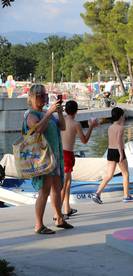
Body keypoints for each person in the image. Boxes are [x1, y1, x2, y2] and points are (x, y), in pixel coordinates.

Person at [24, 84, 73, 234]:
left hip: (55, 156)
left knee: (57, 188)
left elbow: (63, 127)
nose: (44, 98)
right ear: (32, 97)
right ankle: (38, 225)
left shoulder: (48, 113)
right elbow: (37, 129)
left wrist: (58, 112)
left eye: (45, 95)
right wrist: (48, 113)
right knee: (44, 191)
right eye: (40, 95)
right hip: (43, 158)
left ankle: (59, 218)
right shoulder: (30, 114)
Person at [60, 100, 98, 217]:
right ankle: (58, 213)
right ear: (76, 111)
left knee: (68, 182)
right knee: (65, 184)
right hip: (68, 155)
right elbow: (85, 141)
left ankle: (67, 208)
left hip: (60, 153)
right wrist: (91, 126)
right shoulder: (76, 124)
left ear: (66, 110)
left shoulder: (61, 121)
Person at [92, 107, 133, 204]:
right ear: (121, 116)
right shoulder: (121, 128)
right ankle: (126, 196)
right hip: (118, 151)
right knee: (125, 173)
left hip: (110, 151)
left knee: (109, 175)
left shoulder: (110, 127)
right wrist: (121, 154)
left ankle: (97, 193)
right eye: (123, 115)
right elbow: (119, 142)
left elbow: (113, 140)